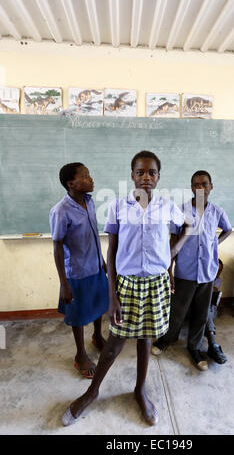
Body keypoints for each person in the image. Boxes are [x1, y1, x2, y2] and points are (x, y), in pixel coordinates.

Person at [61, 151, 186, 427]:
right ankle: (92, 392)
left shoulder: (166, 205)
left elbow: (186, 226)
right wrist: (112, 294)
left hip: (156, 283)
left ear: (158, 177)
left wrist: (171, 255)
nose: (146, 177)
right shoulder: (119, 206)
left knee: (146, 338)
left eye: (152, 172)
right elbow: (112, 250)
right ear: (132, 175)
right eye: (140, 172)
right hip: (127, 283)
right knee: (114, 343)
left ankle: (140, 390)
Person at [151, 170, 232, 371]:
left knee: (201, 313)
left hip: (207, 271)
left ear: (211, 186)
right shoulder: (180, 211)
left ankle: (194, 347)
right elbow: (173, 241)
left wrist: (215, 243)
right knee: (178, 310)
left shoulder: (217, 212)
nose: (200, 188)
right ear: (191, 188)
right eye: (196, 185)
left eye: (204, 184)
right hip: (185, 270)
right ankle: (167, 338)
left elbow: (228, 229)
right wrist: (169, 270)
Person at [49, 163, 109, 379]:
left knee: (99, 304)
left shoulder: (89, 202)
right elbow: (57, 247)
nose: (91, 178)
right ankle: (80, 355)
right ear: (71, 183)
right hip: (76, 272)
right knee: (79, 314)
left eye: (89, 174)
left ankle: (97, 336)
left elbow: (93, 235)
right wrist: (64, 284)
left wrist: (102, 260)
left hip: (95, 265)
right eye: (85, 175)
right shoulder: (60, 211)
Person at [204, 259, 227, 364]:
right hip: (202, 307)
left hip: (212, 308)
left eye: (220, 271)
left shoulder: (218, 280)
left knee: (208, 311)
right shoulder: (203, 276)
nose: (218, 272)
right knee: (206, 310)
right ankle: (213, 344)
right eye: (216, 269)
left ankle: (212, 343)